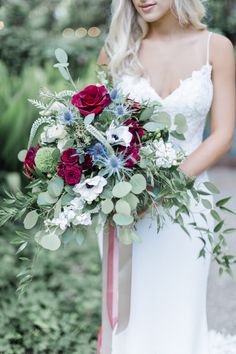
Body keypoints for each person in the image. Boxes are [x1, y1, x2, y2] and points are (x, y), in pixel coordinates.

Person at [96, 1, 236, 353]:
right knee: (132, 315)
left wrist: (160, 190)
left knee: (178, 315)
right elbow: (94, 129)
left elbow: (222, 135)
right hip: (125, 207)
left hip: (186, 207)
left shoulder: (215, 46)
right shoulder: (116, 51)